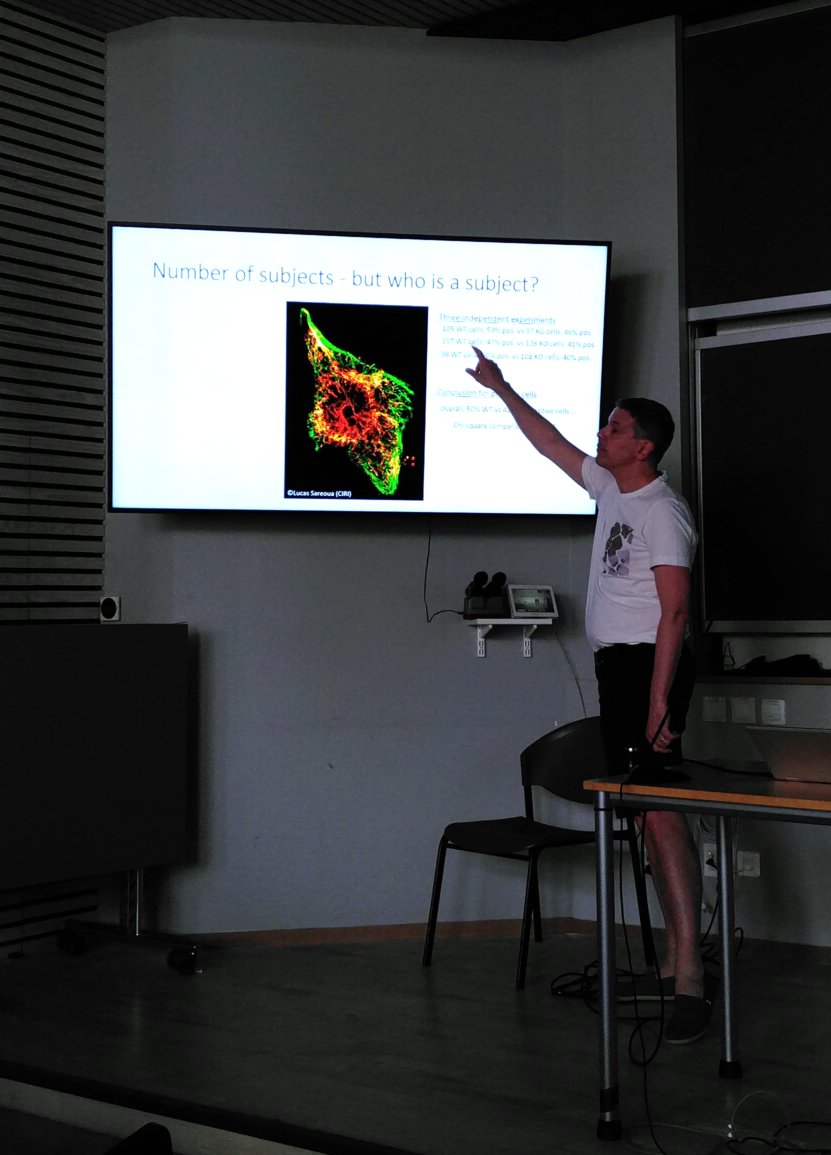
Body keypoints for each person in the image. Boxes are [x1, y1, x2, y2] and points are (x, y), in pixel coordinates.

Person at [466, 346, 712, 1045]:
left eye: (613, 428)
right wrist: (500, 387)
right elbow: (548, 443)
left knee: (661, 814)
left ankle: (690, 976)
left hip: (648, 668)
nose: (600, 435)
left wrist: (659, 703)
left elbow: (674, 612)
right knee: (646, 815)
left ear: (643, 446)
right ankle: (672, 961)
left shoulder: (663, 511)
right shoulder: (610, 487)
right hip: (620, 669)